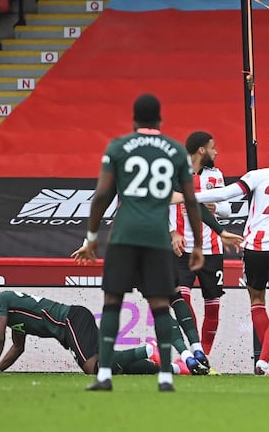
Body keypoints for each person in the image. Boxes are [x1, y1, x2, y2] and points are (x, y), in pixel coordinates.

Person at [71, 93, 206, 392]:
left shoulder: (118, 147)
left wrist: (91, 237)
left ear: (133, 118)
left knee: (112, 303)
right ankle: (167, 377)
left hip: (124, 236)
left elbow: (102, 195)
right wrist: (197, 245)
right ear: (160, 119)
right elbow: (192, 200)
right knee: (160, 304)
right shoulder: (174, 150)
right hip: (157, 238)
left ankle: (104, 375)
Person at [176, 134, 269, 376]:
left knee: (257, 302)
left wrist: (188, 197)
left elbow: (224, 195)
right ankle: (266, 360)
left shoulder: (259, 175)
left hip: (254, 248)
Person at [0, 279, 159, 376]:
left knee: (91, 367)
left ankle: (149, 350)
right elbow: (17, 347)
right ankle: (168, 368)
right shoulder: (13, 313)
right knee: (110, 366)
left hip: (70, 320)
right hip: (74, 320)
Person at [170, 131, 234, 374]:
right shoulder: (177, 172)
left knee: (213, 306)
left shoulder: (215, 175)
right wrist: (172, 233)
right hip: (182, 248)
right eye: (213, 147)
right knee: (182, 300)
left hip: (212, 249)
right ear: (201, 150)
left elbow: (228, 208)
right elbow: (167, 204)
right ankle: (194, 351)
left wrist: (217, 206)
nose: (216, 152)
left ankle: (203, 358)